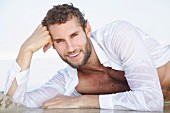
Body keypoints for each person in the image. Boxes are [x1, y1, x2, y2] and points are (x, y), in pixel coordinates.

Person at [4, 3, 170, 111]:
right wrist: (26, 49)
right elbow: (14, 105)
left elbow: (152, 100)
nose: (70, 48)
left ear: (87, 30)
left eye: (74, 35)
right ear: (51, 45)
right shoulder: (65, 80)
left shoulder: (117, 35)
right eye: (60, 41)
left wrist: (81, 101)